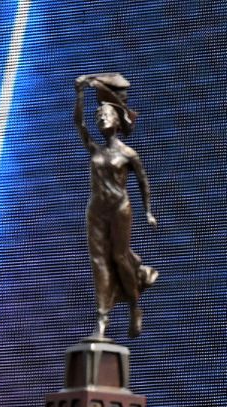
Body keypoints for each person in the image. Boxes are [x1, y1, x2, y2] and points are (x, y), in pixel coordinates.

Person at [74, 73, 159, 339]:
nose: (100, 118)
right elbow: (79, 123)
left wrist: (148, 210)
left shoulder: (127, 154)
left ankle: (134, 306)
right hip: (96, 211)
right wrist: (80, 94)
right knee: (98, 261)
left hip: (119, 209)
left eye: (105, 114)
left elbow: (143, 181)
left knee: (120, 259)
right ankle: (102, 319)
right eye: (98, 115)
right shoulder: (95, 150)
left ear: (117, 120)